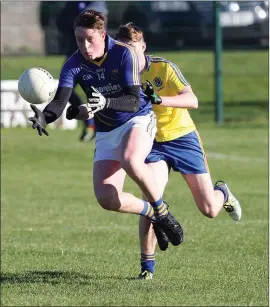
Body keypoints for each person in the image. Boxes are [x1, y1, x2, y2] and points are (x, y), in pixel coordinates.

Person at [28, 10, 184, 252]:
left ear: (102, 34)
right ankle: (151, 211)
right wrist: (45, 117)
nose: (85, 46)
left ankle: (163, 213)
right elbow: (60, 102)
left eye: (90, 39)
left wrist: (105, 103)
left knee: (131, 160)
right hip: (106, 130)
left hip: (137, 119)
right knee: (107, 199)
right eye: (79, 40)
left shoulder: (124, 53)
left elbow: (133, 100)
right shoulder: (73, 65)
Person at [115, 23, 242, 279]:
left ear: (143, 47)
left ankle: (222, 192)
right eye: (124, 50)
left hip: (183, 138)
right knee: (152, 199)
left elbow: (192, 100)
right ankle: (147, 268)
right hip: (150, 141)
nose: (130, 55)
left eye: (133, 49)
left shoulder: (164, 67)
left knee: (209, 210)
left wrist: (159, 100)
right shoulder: (118, 72)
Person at [56, 2, 108, 142]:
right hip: (73, 55)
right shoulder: (72, 4)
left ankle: (98, 127)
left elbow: (89, 20)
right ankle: (90, 124)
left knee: (95, 92)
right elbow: (60, 22)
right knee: (65, 90)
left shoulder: (97, 3)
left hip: (93, 57)